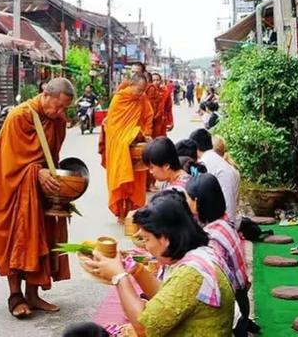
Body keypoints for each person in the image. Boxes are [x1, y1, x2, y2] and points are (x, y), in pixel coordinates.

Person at [0, 77, 75, 319]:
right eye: (57, 106)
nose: (59, 112)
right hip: (11, 187)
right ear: (45, 94)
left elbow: (52, 155)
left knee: (41, 238)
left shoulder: (56, 121)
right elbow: (11, 163)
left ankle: (33, 295)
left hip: (39, 188)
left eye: (63, 109)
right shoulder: (20, 117)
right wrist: (37, 172)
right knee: (15, 238)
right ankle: (15, 296)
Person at [86, 192, 235, 336]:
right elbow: (167, 295)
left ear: (165, 239)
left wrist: (119, 277)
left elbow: (144, 327)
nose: (146, 247)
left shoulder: (191, 274)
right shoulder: (198, 256)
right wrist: (135, 269)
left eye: (146, 239)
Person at [185, 174, 255, 336]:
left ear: (196, 202)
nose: (186, 203)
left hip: (234, 308)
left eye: (187, 199)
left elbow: (216, 285)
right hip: (241, 299)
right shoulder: (225, 222)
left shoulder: (212, 236)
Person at [104, 73, 153, 223]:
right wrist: (131, 133)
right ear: (131, 85)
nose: (141, 93)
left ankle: (134, 212)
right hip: (119, 144)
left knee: (136, 179)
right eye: (138, 89)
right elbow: (112, 125)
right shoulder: (119, 99)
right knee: (120, 178)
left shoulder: (142, 99)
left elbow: (148, 116)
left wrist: (146, 133)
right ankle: (120, 213)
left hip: (136, 144)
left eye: (143, 90)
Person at [189, 129, 240, 221]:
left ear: (195, 147)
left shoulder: (203, 163)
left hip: (221, 222)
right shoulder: (220, 162)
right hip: (231, 220)